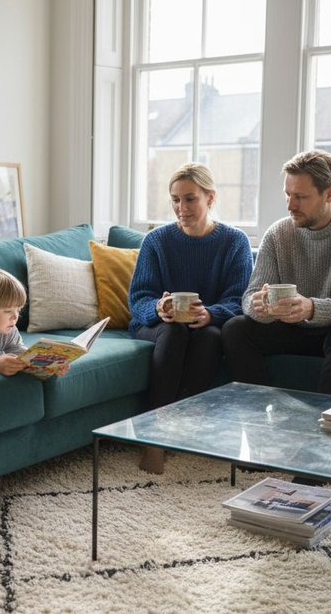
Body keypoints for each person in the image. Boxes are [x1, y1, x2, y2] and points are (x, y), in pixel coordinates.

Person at [222, 149, 331, 398]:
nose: (290, 205)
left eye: (300, 197)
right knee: (235, 328)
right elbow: (250, 296)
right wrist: (259, 306)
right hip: (295, 330)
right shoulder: (278, 233)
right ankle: (259, 412)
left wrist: (311, 308)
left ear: (329, 193)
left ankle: (325, 426)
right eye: (288, 195)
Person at [128, 163, 254, 473]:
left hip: (206, 325)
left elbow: (240, 301)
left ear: (210, 198)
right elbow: (138, 298)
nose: (180, 208)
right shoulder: (156, 241)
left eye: (189, 199)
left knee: (211, 335)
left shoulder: (234, 241)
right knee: (175, 333)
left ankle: (181, 425)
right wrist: (159, 308)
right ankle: (154, 437)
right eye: (175, 199)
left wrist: (211, 314)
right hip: (158, 326)